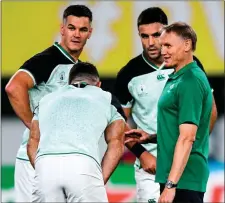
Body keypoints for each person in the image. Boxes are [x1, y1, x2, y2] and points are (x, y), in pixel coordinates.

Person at [114, 7, 217, 203]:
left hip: (184, 165)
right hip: (151, 167)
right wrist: (142, 153)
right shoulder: (129, 73)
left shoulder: (189, 72)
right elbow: (118, 121)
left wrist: (193, 144)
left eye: (157, 35)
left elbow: (209, 112)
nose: (151, 43)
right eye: (144, 36)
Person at [5, 5, 93, 202]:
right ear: (62, 29)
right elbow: (13, 87)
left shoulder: (76, 66)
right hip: (35, 157)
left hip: (58, 159)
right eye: (72, 28)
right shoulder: (47, 60)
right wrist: (33, 126)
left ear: (90, 33)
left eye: (82, 29)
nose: (76, 34)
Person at [27, 62, 126, 202]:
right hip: (82, 166)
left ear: (69, 83)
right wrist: (98, 180)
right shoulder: (107, 98)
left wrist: (42, 171)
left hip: (45, 167)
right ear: (98, 84)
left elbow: (33, 141)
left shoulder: (46, 100)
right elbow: (116, 143)